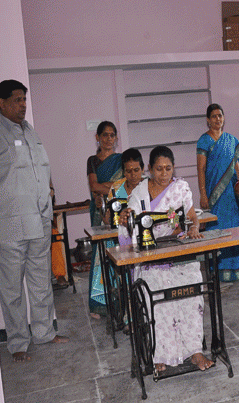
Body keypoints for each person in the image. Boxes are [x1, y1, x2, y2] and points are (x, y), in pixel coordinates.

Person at [0, 79, 69, 362]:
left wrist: (50, 195)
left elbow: (42, 170)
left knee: (41, 283)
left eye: (24, 99)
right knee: (11, 289)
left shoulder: (30, 132)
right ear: (1, 103)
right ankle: (17, 342)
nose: (23, 105)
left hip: (38, 223)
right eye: (17, 100)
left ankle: (44, 333)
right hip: (8, 228)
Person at [118, 145, 211, 372]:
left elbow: (191, 217)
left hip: (175, 252)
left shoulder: (180, 189)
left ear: (173, 168)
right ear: (150, 169)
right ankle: (161, 353)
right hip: (150, 258)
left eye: (168, 168)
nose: (164, 174)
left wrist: (192, 228)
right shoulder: (139, 193)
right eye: (159, 169)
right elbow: (130, 221)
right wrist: (125, 216)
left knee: (192, 282)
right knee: (156, 291)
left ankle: (195, 351)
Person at [196, 104, 239, 281]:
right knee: (217, 228)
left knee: (234, 227)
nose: (217, 119)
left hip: (230, 195)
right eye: (214, 116)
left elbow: (236, 167)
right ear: (208, 120)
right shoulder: (204, 141)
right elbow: (201, 169)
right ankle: (218, 271)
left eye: (220, 115)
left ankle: (238, 268)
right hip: (214, 194)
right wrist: (203, 194)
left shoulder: (231, 140)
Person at [86, 121, 122, 318]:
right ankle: (98, 302)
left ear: (116, 138)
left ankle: (118, 299)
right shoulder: (92, 160)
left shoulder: (121, 159)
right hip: (99, 212)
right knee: (100, 255)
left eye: (112, 135)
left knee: (119, 252)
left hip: (118, 210)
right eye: (105, 135)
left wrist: (105, 186)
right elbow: (94, 186)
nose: (109, 139)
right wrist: (114, 186)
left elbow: (127, 184)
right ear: (97, 137)